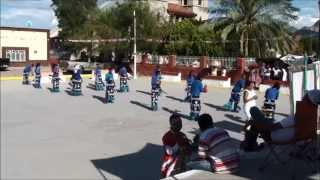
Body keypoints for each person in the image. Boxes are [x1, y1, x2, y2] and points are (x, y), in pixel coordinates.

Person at [241, 90, 320, 152]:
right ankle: (251, 144)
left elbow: (273, 127)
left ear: (307, 101)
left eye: (304, 98)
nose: (302, 99)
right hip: (299, 139)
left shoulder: (297, 117)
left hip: (276, 136)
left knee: (254, 113)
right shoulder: (313, 117)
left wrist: (257, 124)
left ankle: (250, 146)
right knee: (260, 119)